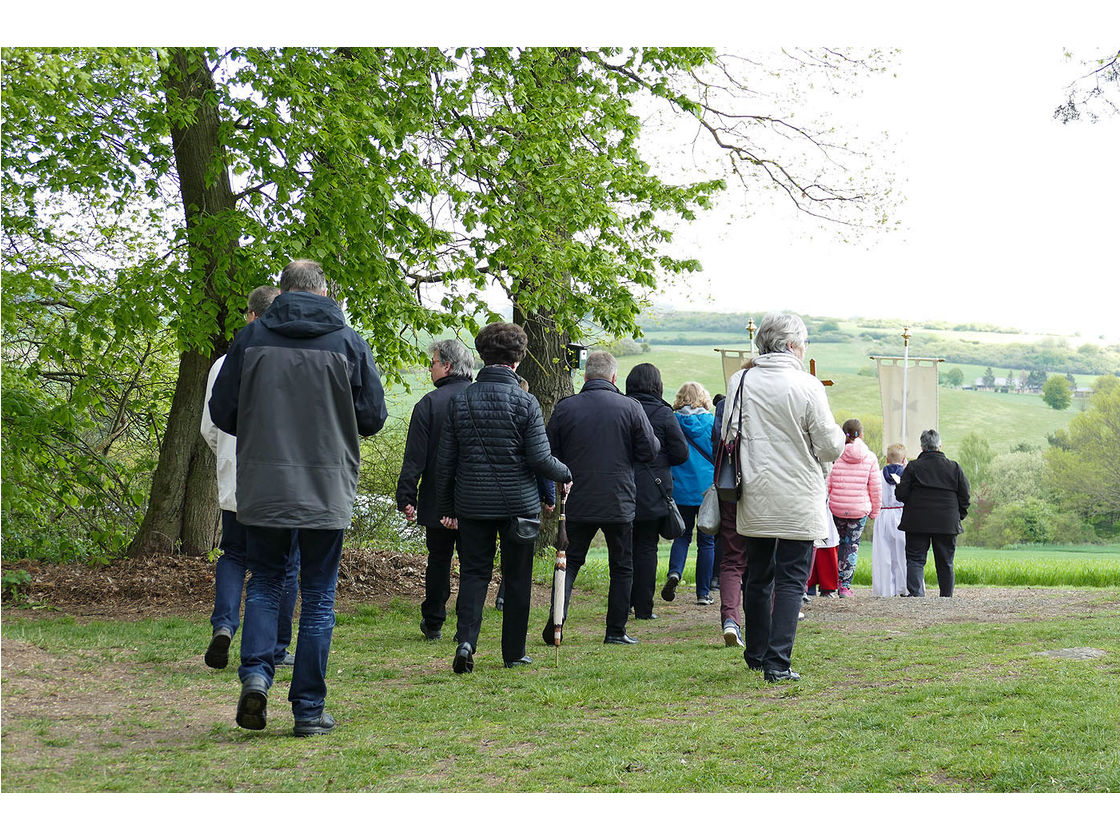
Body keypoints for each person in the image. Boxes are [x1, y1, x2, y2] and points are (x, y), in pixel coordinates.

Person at [209, 259, 387, 736]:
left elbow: (223, 411)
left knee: (265, 582)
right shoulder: (348, 342)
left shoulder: (250, 340)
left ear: (284, 291)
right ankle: (308, 709)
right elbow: (372, 416)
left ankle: (256, 676)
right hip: (327, 486)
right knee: (319, 596)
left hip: (264, 484)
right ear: (324, 290)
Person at [435, 322, 571, 673]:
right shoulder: (525, 402)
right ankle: (513, 652)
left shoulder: (461, 400)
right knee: (517, 578)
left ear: (483, 356)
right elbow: (540, 459)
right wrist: (565, 472)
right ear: (518, 359)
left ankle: (466, 642)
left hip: (472, 503)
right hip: (518, 505)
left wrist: (447, 506)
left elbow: (446, 460)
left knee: (474, 575)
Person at [723, 312, 844, 682]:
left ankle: (756, 653)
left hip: (755, 491)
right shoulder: (808, 386)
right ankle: (778, 662)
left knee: (757, 575)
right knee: (792, 579)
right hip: (798, 493)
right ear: (792, 345)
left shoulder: (741, 381)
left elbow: (728, 433)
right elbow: (829, 444)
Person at [200, 285, 300, 671]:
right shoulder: (288, 358)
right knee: (285, 564)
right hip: (277, 480)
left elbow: (210, 427)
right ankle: (275, 645)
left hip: (235, 476)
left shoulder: (222, 365)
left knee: (234, 553)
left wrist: (225, 456)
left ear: (250, 316)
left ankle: (224, 624)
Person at [543, 350, 660, 645]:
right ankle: (615, 630)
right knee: (622, 566)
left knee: (569, 563)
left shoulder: (566, 407)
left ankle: (557, 621)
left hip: (577, 498)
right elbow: (649, 450)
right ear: (614, 377)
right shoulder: (630, 407)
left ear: (585, 376)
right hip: (618, 498)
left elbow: (549, 452)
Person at [396, 339, 474, 641]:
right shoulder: (479, 398)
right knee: (473, 563)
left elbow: (414, 457)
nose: (430, 368)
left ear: (447, 366)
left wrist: (407, 496)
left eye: (433, 363)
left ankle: (434, 621)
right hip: (474, 498)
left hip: (435, 496)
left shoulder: (428, 404)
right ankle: (467, 623)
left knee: (439, 560)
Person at [625, 363, 689, 621]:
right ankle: (643, 607)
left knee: (623, 549)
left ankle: (623, 601)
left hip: (622, 484)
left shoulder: (623, 407)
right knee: (646, 548)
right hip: (653, 488)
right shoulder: (664, 414)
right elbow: (681, 453)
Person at [494, 376, 558, 611]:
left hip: (489, 495)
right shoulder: (530, 416)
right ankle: (505, 596)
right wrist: (549, 498)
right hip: (522, 496)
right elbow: (542, 463)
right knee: (518, 552)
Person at [896, 430, 970, 597]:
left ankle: (917, 596)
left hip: (917, 522)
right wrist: (959, 516)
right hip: (946, 522)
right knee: (945, 562)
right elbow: (965, 496)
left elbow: (901, 495)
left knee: (915, 559)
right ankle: (946, 597)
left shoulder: (913, 467)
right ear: (940, 446)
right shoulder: (954, 467)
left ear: (922, 447)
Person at [664, 382, 717, 605]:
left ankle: (675, 572)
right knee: (707, 541)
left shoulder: (672, 421)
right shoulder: (712, 422)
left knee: (682, 536)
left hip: (680, 487)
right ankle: (703, 593)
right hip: (706, 491)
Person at [711, 363, 753, 647]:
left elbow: (717, 440)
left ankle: (730, 619)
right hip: (766, 490)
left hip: (731, 488)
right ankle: (765, 617)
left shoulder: (726, 405)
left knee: (731, 560)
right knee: (766, 560)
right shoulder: (773, 403)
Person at [826, 419, 882, 597]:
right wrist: (875, 510)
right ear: (861, 434)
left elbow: (828, 482)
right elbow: (875, 486)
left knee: (841, 543)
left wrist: (823, 501)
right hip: (859, 509)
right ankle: (845, 585)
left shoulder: (834, 455)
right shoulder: (870, 457)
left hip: (838, 507)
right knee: (852, 546)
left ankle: (836, 582)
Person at [871, 443, 908, 596]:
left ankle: (885, 589)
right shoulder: (906, 475)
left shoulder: (878, 475)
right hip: (901, 514)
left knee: (883, 554)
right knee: (903, 553)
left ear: (886, 459)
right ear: (904, 459)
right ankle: (905, 587)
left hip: (883, 514)